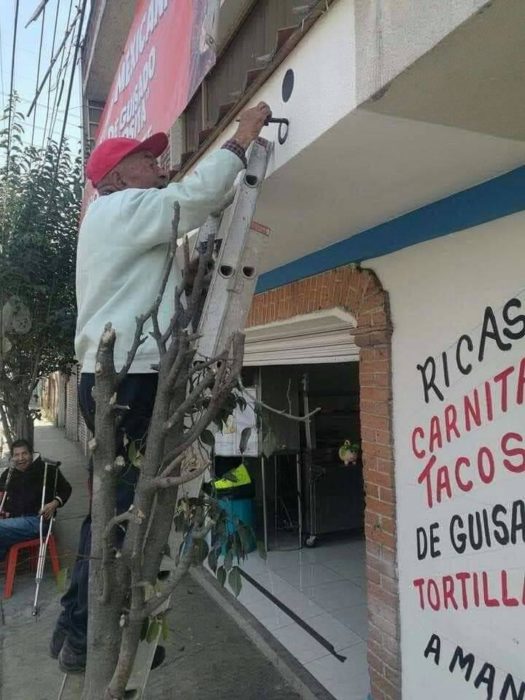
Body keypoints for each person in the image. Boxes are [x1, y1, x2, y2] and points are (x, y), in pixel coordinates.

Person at [51, 102, 272, 673]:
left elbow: (163, 248)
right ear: (120, 176)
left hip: (118, 377)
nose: (160, 163)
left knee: (122, 510)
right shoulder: (123, 209)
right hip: (128, 379)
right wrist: (240, 140)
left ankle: (77, 629)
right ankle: (84, 637)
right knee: (125, 514)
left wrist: (190, 276)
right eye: (148, 159)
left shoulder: (118, 220)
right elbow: (189, 201)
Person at [0, 439, 71, 561]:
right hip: (14, 520)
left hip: (38, 520)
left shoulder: (47, 469)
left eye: (24, 453)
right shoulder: (9, 474)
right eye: (16, 455)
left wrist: (54, 503)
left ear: (31, 454)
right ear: (12, 457)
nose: (21, 458)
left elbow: (66, 489)